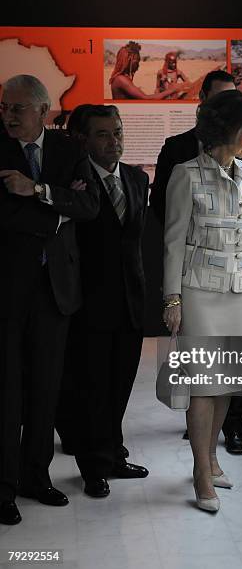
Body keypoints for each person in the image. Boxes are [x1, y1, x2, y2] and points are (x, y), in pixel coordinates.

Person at [150, 70, 242, 454]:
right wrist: (173, 299)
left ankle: (217, 456)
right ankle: (202, 469)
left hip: (239, 290)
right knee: (203, 384)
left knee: (231, 379)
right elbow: (171, 238)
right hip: (200, 291)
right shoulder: (185, 171)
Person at [0, 75, 99, 525]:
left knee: (45, 386)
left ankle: (35, 477)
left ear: (44, 111)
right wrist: (56, 213)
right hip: (7, 287)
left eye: (18, 108)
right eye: (4, 107)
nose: (9, 115)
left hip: (55, 288)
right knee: (7, 391)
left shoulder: (68, 151)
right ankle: (3, 486)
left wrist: (36, 191)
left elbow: (90, 206)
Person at [59, 105, 149, 498]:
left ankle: (113, 454)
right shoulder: (72, 181)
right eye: (103, 134)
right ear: (84, 139)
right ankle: (93, 466)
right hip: (89, 303)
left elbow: (134, 243)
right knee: (92, 387)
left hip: (131, 300)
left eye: (118, 132)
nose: (114, 141)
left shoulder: (137, 178)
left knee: (121, 383)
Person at [109, 41, 186, 100]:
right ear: (129, 61)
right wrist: (172, 90)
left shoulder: (121, 78)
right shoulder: (121, 79)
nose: (138, 66)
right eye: (137, 61)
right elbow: (145, 98)